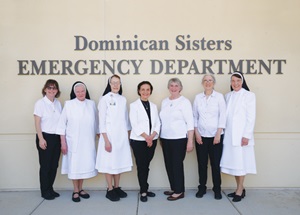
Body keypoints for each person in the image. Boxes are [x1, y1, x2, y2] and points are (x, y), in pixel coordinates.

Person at [56, 81, 98, 203]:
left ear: (86, 92)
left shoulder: (91, 104)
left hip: (87, 142)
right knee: (75, 165)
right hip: (73, 141)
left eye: (82, 91)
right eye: (78, 91)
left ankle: (80, 189)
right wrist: (63, 142)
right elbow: (61, 125)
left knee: (83, 165)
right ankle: (75, 190)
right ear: (74, 93)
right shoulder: (68, 104)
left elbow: (96, 122)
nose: (80, 93)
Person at [220, 71, 256, 202]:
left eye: (238, 81)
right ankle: (239, 188)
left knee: (241, 164)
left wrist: (246, 135)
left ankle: (240, 190)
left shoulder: (249, 95)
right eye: (233, 81)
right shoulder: (227, 96)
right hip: (229, 137)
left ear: (242, 82)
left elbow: (251, 117)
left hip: (242, 137)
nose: (235, 83)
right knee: (235, 164)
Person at [95, 75, 132, 202]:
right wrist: (106, 140)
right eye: (113, 83)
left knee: (119, 162)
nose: (116, 85)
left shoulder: (123, 99)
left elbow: (126, 119)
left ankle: (117, 187)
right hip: (109, 137)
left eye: (118, 83)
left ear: (120, 84)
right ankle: (110, 189)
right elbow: (102, 122)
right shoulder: (104, 99)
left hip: (121, 137)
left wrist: (127, 136)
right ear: (109, 84)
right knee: (109, 163)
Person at [159, 78, 194, 201]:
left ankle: (179, 191)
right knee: (169, 164)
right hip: (165, 138)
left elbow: (190, 122)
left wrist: (190, 141)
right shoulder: (164, 102)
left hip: (179, 139)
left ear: (180, 87)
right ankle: (174, 187)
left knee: (176, 165)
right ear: (168, 88)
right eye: (171, 86)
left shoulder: (184, 102)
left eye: (176, 86)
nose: (173, 88)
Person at [193, 74, 226, 200]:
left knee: (215, 164)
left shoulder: (219, 97)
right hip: (201, 136)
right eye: (205, 80)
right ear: (202, 83)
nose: (208, 82)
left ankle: (217, 189)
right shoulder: (197, 98)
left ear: (214, 83)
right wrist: (197, 133)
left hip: (215, 136)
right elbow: (194, 116)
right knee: (202, 164)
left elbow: (222, 115)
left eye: (210, 80)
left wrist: (218, 133)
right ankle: (202, 187)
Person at [129, 81, 161, 202]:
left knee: (146, 166)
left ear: (150, 91)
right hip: (139, 140)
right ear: (139, 91)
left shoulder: (153, 106)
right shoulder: (134, 105)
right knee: (142, 166)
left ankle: (145, 188)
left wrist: (152, 136)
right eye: (143, 89)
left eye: (148, 89)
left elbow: (157, 123)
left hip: (152, 140)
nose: (145, 92)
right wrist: (146, 137)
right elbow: (134, 124)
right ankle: (143, 191)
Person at [34, 79, 62, 200]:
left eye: (54, 88)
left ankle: (50, 188)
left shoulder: (58, 103)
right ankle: (45, 191)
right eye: (49, 88)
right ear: (45, 89)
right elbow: (37, 122)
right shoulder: (40, 103)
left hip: (56, 138)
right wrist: (41, 138)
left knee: (54, 165)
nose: (51, 90)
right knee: (45, 166)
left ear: (57, 90)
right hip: (45, 137)